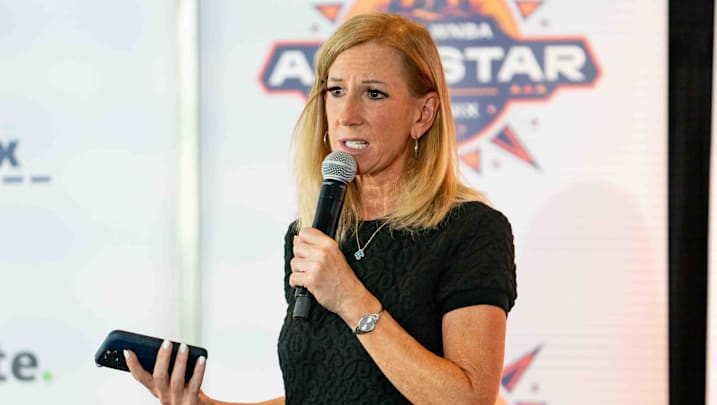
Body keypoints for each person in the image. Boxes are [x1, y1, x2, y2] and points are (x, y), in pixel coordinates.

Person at [124, 12, 517, 405]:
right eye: (336, 91)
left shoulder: (471, 230)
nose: (347, 116)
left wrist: (350, 299)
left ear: (423, 114)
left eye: (374, 94)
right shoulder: (311, 235)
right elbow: (317, 394)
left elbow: (468, 399)